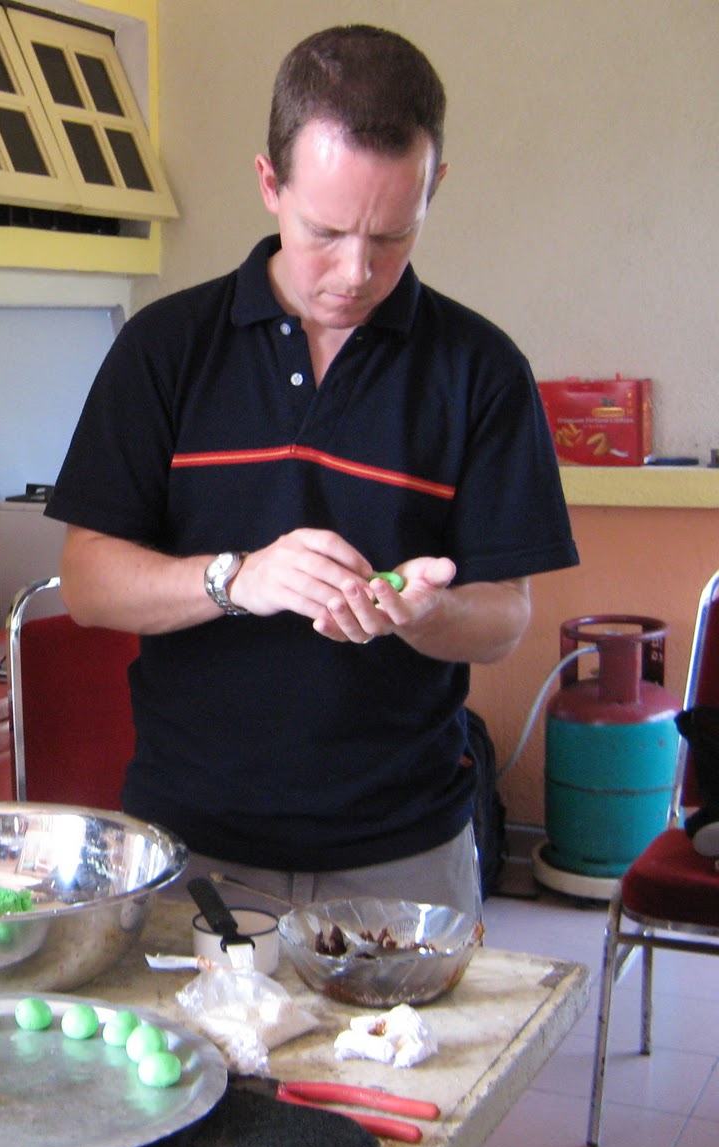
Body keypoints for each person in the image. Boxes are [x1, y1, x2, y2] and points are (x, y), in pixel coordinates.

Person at [46, 25, 578, 918]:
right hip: (191, 846)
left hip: (404, 853)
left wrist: (425, 612)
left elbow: (502, 619)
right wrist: (237, 579)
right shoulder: (165, 349)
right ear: (269, 185)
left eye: (393, 236)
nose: (355, 272)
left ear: (434, 187)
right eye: (324, 232)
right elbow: (89, 583)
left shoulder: (481, 370)